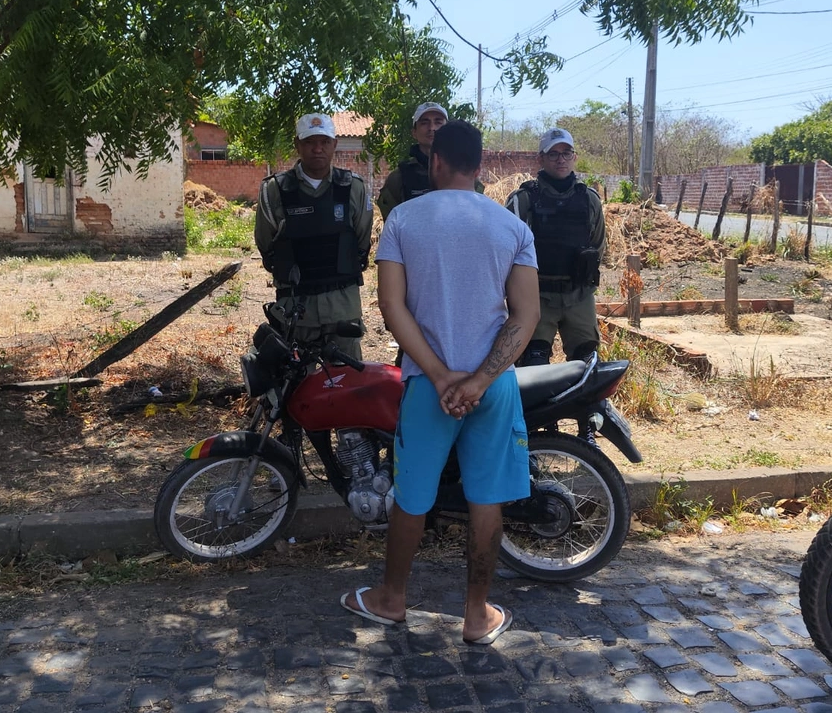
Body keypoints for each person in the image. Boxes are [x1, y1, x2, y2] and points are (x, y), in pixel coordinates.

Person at [340, 119, 540, 645]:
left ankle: (391, 599)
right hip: (493, 388)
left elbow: (391, 307)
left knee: (412, 497)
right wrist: (478, 381)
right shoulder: (513, 228)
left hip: (427, 387)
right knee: (486, 499)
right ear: (480, 166)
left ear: (435, 161)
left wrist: (439, 374)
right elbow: (526, 315)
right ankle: (477, 615)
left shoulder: (404, 219)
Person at [254, 113, 373, 358]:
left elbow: (361, 242)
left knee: (347, 384)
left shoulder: (354, 188)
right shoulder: (274, 190)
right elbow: (266, 245)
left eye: (324, 142)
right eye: (309, 142)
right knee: (297, 388)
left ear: (334, 144)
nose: (317, 149)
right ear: (297, 144)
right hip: (295, 309)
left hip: (343, 308)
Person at [506, 127, 605, 366]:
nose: (561, 159)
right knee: (533, 363)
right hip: (536, 297)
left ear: (574, 157)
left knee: (587, 363)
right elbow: (507, 253)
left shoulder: (589, 198)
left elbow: (599, 243)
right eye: (553, 154)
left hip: (579, 296)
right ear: (540, 158)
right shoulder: (523, 200)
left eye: (566, 153)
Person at [377, 102, 485, 221]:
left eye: (438, 122)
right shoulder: (398, 178)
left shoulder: (464, 173)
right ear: (414, 132)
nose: (432, 128)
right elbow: (392, 222)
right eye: (424, 123)